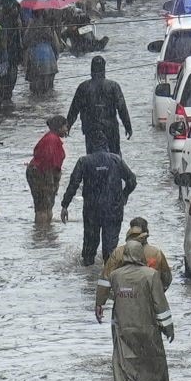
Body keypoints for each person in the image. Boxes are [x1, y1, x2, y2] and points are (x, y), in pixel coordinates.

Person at [106, 241, 174, 381]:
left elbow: (111, 295)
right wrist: (168, 328)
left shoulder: (115, 276)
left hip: (123, 328)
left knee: (124, 361)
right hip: (147, 327)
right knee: (152, 361)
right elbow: (160, 304)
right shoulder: (151, 275)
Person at [61, 132, 137, 266]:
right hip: (113, 209)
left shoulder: (84, 161)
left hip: (92, 210)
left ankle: (89, 280)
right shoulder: (116, 160)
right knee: (110, 249)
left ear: (90, 146)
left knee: (89, 248)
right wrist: (124, 195)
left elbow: (73, 184)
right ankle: (109, 280)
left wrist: (65, 205)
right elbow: (132, 180)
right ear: (106, 145)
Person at [95, 219, 172, 322]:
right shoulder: (156, 253)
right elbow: (166, 279)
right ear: (147, 232)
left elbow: (105, 280)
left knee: (122, 333)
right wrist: (156, 294)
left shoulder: (118, 253)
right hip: (148, 304)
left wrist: (100, 303)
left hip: (123, 303)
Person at [66, 55, 132, 155]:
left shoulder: (83, 87)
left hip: (91, 129)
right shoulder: (113, 86)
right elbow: (122, 109)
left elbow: (74, 110)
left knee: (92, 159)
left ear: (91, 70)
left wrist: (67, 126)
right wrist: (128, 127)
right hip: (110, 129)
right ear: (104, 70)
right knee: (115, 159)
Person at [27, 116, 68, 225]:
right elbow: (47, 163)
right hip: (41, 174)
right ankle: (41, 233)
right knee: (43, 208)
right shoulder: (51, 140)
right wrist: (50, 182)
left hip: (41, 173)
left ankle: (45, 234)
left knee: (47, 206)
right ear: (59, 128)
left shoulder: (52, 138)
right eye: (65, 126)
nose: (66, 129)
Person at [23, 12, 61, 95]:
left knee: (36, 92)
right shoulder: (49, 27)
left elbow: (25, 42)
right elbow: (56, 45)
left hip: (35, 61)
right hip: (50, 61)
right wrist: (56, 57)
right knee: (48, 90)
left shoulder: (31, 27)